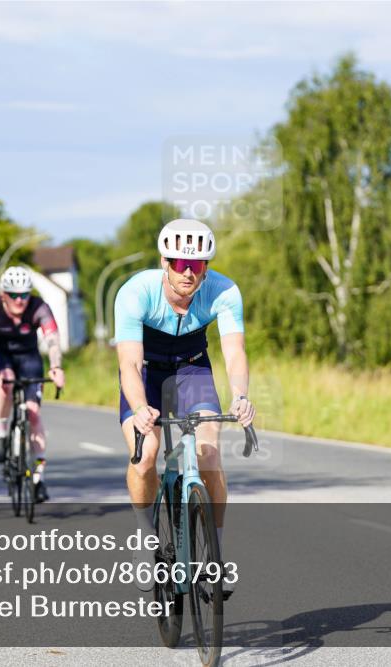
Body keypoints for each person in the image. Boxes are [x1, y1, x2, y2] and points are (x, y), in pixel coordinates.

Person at [113, 218, 255, 594]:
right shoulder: (135, 292)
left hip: (192, 367)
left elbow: (235, 352)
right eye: (179, 263)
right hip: (146, 372)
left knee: (209, 454)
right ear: (164, 262)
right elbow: (128, 363)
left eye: (197, 264)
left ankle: (216, 552)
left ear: (207, 267)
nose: (188, 272)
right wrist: (140, 407)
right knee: (145, 457)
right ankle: (146, 540)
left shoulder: (224, 291)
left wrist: (240, 395)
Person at [0, 266, 65, 503]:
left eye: (24, 294)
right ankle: (1, 433)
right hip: (2, 357)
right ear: (3, 294)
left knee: (34, 414)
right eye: (13, 295)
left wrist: (56, 367)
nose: (20, 300)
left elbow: (53, 340)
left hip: (29, 359)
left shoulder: (39, 307)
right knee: (3, 386)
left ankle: (38, 478)